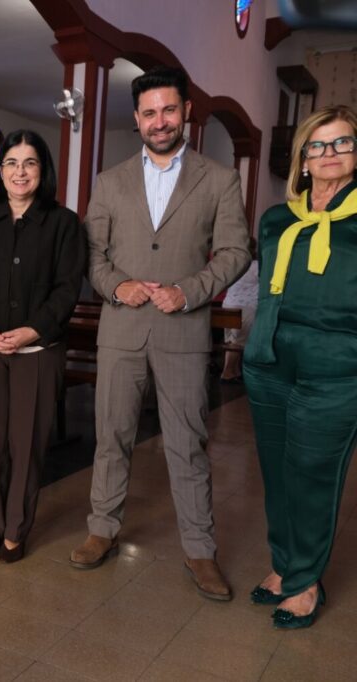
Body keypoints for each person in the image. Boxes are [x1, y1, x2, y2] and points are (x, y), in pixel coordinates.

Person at [69, 66, 251, 601]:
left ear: (186, 112)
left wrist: (189, 290)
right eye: (149, 112)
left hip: (183, 330)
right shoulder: (109, 181)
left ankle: (200, 550)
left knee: (188, 444)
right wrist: (116, 286)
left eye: (169, 109)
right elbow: (92, 254)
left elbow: (237, 251)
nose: (160, 120)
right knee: (112, 436)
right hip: (122, 329)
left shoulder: (218, 179)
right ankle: (102, 529)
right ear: (137, 119)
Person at [244, 105, 357, 628]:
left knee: (313, 475)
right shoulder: (275, 218)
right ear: (303, 157)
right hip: (269, 362)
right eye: (319, 144)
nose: (330, 154)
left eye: (342, 143)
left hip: (337, 369)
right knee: (277, 474)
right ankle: (285, 565)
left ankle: (306, 580)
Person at [0, 130, 85, 562]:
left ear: (42, 171)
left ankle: (16, 526)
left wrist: (33, 329)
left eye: (30, 163)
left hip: (37, 352)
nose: (19, 171)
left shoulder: (63, 223)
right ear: (0, 170)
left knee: (26, 444)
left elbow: (67, 288)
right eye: (11, 163)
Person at [220, 240, 258, 383]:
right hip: (246, 307)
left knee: (231, 340)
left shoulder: (234, 265)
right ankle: (227, 372)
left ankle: (233, 371)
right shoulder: (256, 266)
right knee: (239, 342)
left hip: (228, 305)